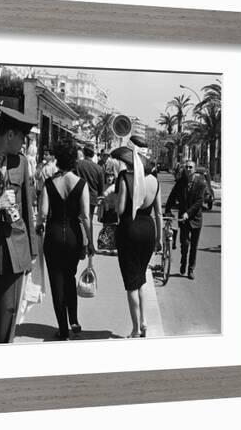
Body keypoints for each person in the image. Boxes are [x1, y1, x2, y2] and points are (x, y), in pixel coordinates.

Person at [0, 106, 38, 344]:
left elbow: (27, 208)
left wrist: (31, 252)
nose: (24, 143)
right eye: (22, 137)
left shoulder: (21, 163)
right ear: (10, 135)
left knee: (7, 317)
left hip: (15, 252)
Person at [36, 141, 94, 340]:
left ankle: (62, 329)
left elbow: (42, 214)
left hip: (53, 234)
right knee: (69, 277)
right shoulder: (80, 184)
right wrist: (90, 241)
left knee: (56, 281)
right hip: (73, 235)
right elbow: (85, 216)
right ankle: (74, 321)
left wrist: (38, 226)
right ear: (74, 161)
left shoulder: (49, 183)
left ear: (58, 159)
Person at [110, 135, 162, 338]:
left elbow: (121, 209)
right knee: (140, 278)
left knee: (131, 282)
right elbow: (158, 213)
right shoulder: (154, 181)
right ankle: (144, 321)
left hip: (129, 230)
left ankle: (135, 328)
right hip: (148, 230)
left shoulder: (124, 178)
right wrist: (158, 239)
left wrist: (113, 201)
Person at [165, 160, 206, 280]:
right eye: (186, 167)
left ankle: (191, 269)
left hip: (196, 219)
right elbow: (172, 197)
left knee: (194, 245)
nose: (188, 169)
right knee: (184, 244)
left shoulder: (201, 183)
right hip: (183, 220)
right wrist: (168, 209)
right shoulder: (180, 183)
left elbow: (199, 201)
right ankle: (183, 262)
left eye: (190, 167)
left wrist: (188, 213)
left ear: (195, 169)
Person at [75, 145, 105, 246]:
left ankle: (80, 242)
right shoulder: (98, 168)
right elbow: (101, 186)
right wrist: (100, 195)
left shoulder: (78, 165)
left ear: (83, 152)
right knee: (89, 220)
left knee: (78, 219)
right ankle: (89, 244)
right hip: (92, 198)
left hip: (78, 196)